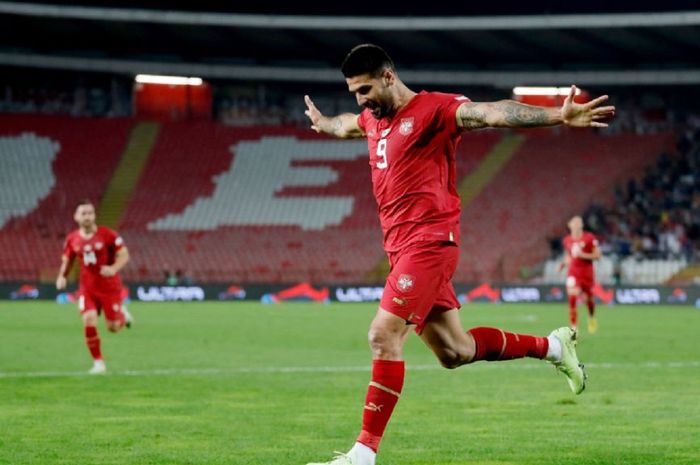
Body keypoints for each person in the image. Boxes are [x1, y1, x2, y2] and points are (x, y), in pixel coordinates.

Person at [303, 44, 615, 465]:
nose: (360, 100)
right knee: (455, 351)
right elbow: (346, 126)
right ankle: (553, 347)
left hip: (430, 244)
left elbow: (491, 113)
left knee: (382, 335)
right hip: (401, 251)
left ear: (389, 76)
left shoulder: (434, 110)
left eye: (365, 89)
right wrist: (323, 124)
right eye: (353, 93)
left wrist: (558, 115)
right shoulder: (372, 120)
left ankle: (363, 454)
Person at [55, 199, 133, 375]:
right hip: (87, 289)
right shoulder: (72, 239)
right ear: (76, 217)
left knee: (113, 327)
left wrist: (113, 268)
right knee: (88, 319)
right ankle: (98, 363)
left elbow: (124, 255)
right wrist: (62, 276)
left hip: (110, 288)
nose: (87, 217)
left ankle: (122, 315)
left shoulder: (109, 235)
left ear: (94, 215)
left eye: (90, 213)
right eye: (83, 213)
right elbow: (67, 260)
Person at [558, 215, 602, 333]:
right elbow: (569, 256)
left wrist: (582, 255)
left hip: (587, 274)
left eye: (579, 222)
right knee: (572, 297)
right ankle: (573, 328)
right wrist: (563, 264)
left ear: (582, 225)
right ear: (569, 225)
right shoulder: (567, 240)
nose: (577, 224)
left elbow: (598, 256)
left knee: (589, 300)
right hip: (573, 273)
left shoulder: (589, 238)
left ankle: (591, 318)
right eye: (574, 222)